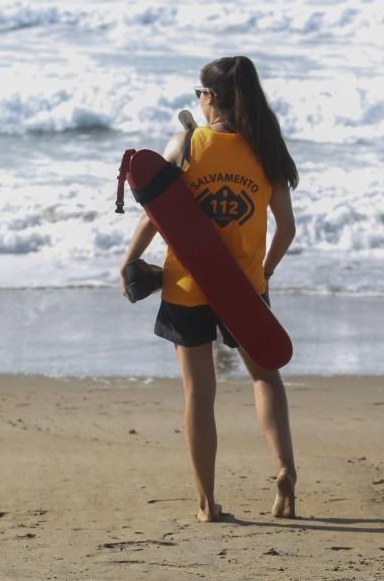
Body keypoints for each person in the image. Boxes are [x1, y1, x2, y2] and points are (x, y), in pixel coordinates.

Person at [120, 55, 299, 522]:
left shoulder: (187, 144)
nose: (197, 101)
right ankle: (284, 470)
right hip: (244, 287)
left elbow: (154, 214)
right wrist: (266, 270)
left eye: (199, 93)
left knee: (200, 393)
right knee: (265, 378)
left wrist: (129, 261)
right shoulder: (268, 151)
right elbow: (286, 229)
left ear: (211, 97)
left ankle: (206, 502)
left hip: (186, 285)